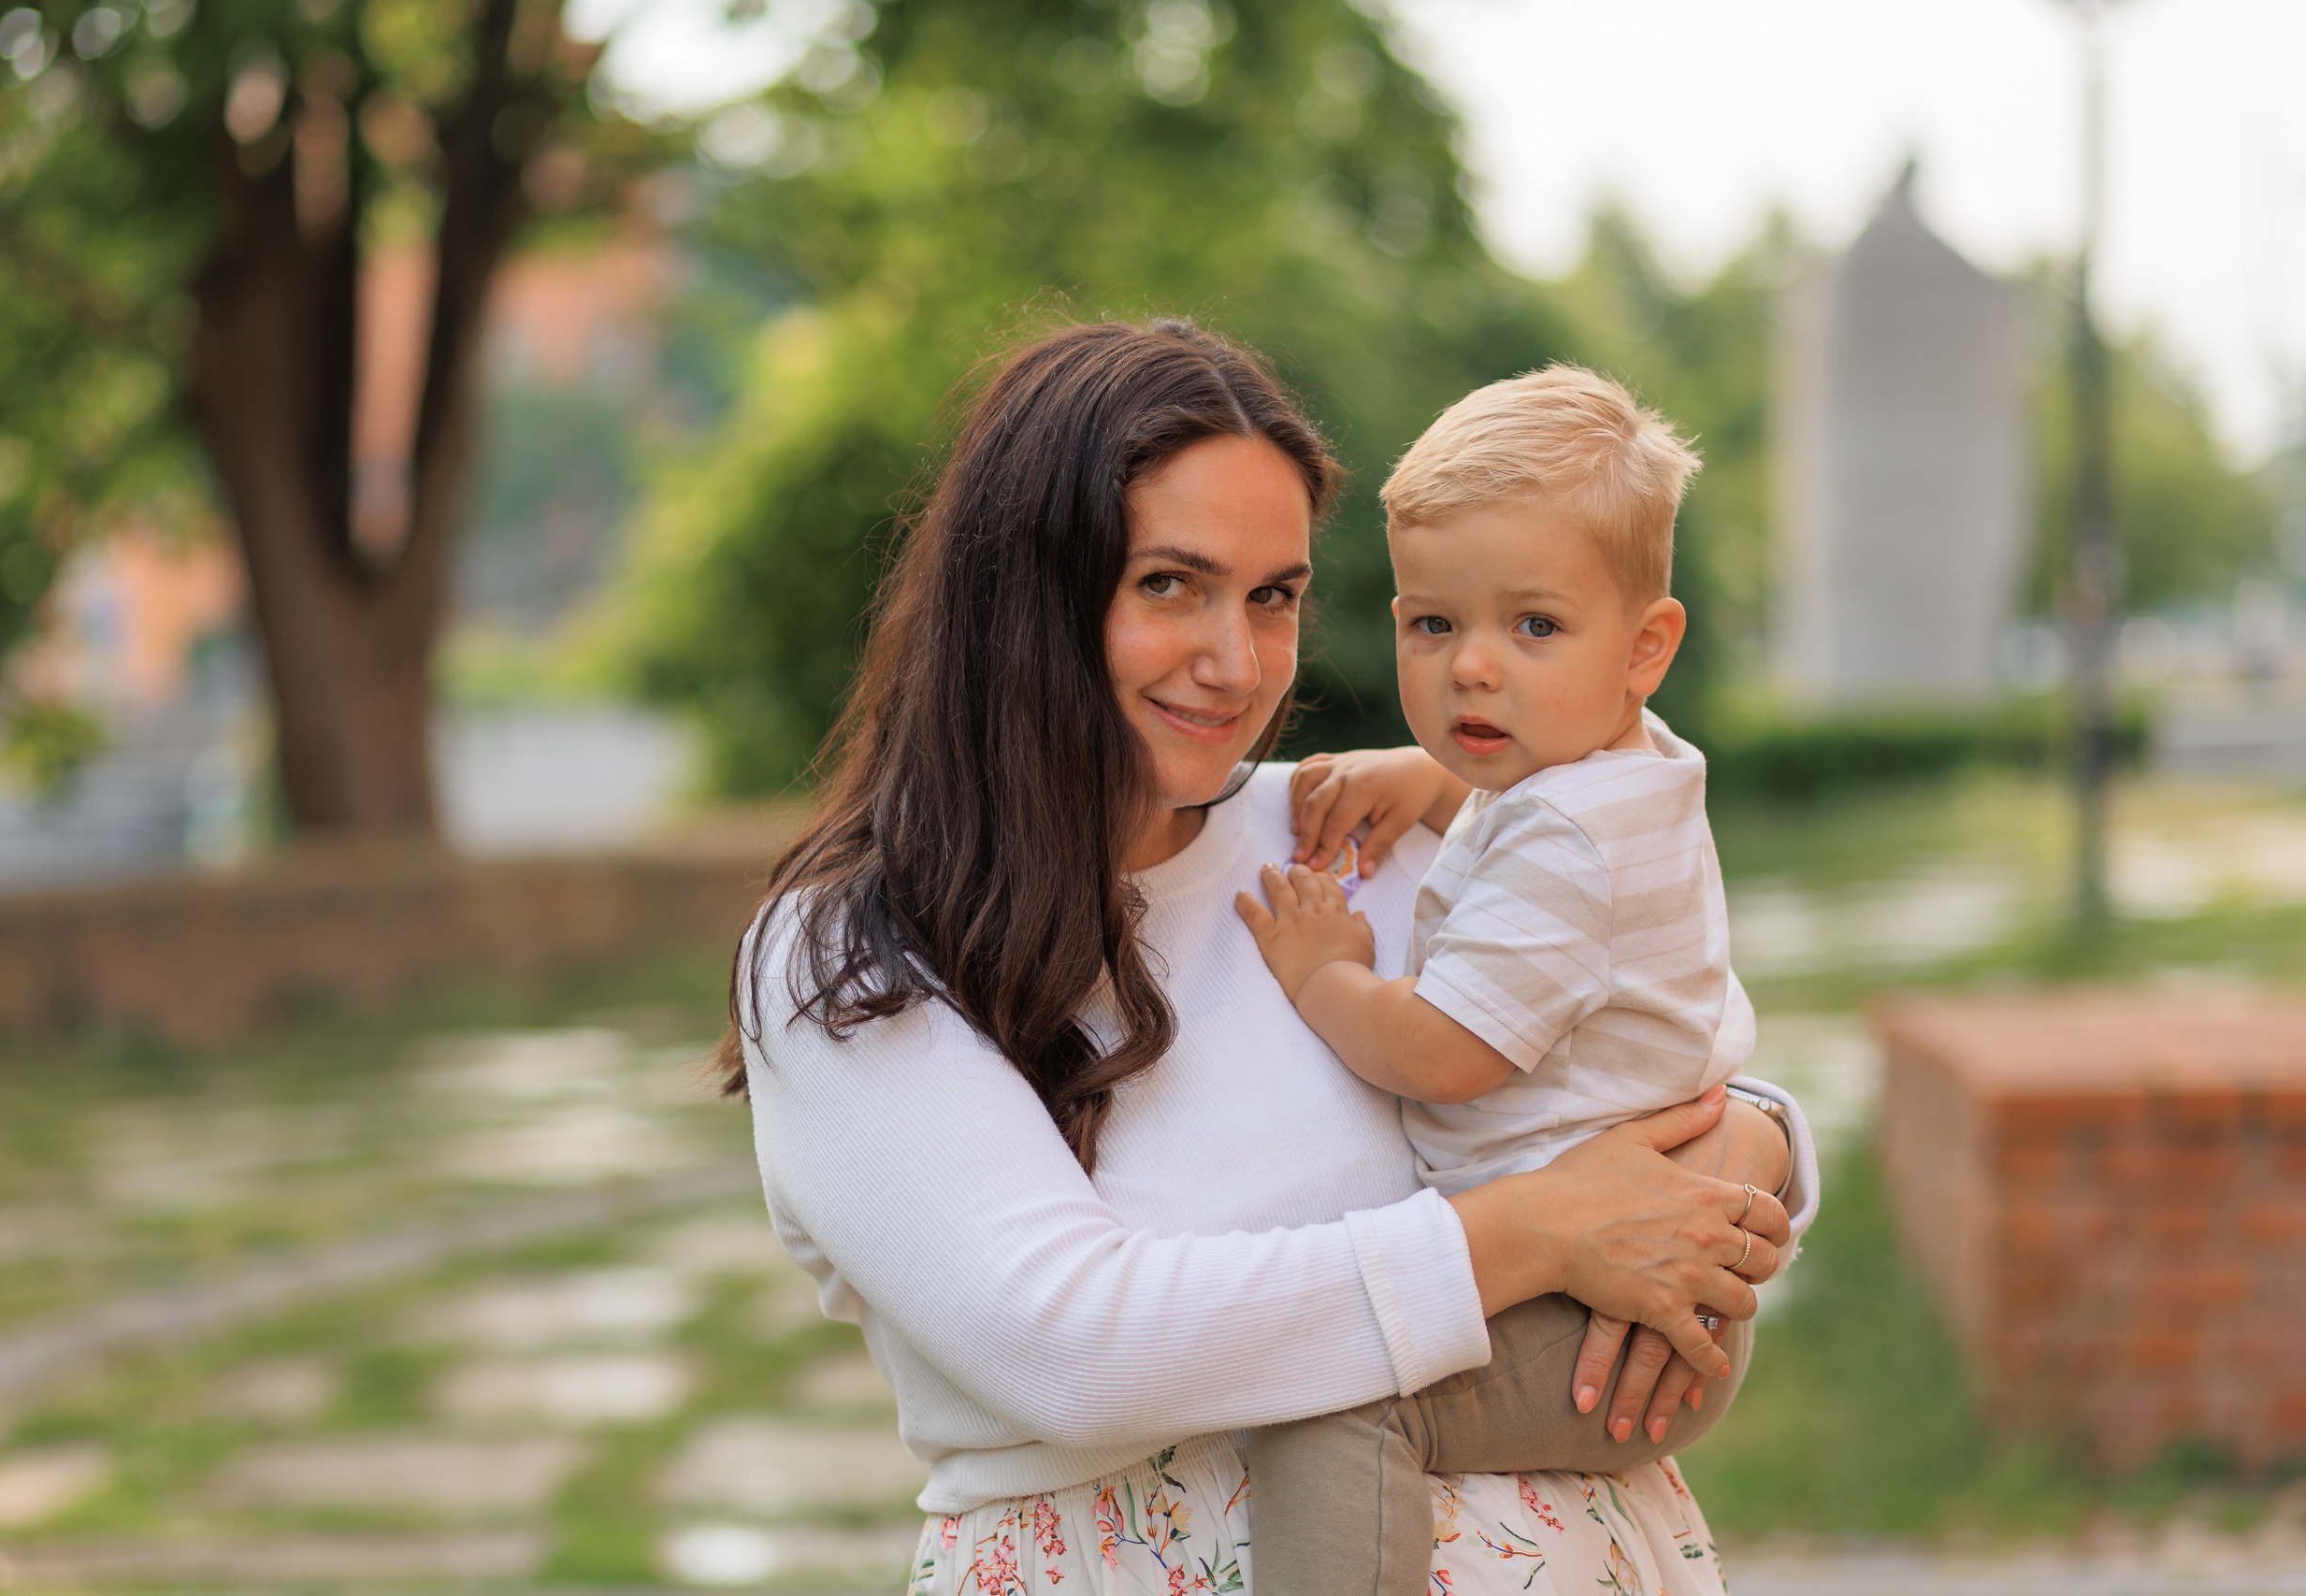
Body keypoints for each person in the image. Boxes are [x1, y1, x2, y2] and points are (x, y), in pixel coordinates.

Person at [725, 320, 1816, 1596]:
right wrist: (1535, 1232)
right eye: (1169, 585)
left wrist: (1753, 1151)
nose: (1235, 664)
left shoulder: (1353, 835)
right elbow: (1077, 1349)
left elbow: (1659, 1026)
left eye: (1273, 597)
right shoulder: (856, 954)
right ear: (1026, 594)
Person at [1237, 367, 1762, 1596]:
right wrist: (1433, 781)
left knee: (1339, 1408)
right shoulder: (1619, 773)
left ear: (1646, 647)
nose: (1472, 669)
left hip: (1602, 1317)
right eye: (1433, 625)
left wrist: (1327, 976)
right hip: (1610, 1264)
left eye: (1533, 627)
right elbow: (1552, 811)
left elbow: (1442, 1054)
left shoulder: (1565, 842)